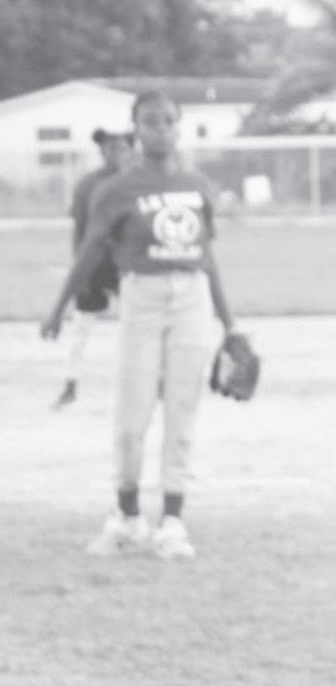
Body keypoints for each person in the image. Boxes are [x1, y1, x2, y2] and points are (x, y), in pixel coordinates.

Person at [40, 91, 237, 560]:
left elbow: (206, 256)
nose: (160, 130)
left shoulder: (198, 185)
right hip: (142, 297)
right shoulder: (117, 189)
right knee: (133, 414)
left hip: (191, 296)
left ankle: (172, 520)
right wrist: (60, 306)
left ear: (179, 126)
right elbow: (90, 248)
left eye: (168, 121)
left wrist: (230, 324)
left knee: (182, 410)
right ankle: (127, 515)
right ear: (137, 130)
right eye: (150, 122)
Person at [52, 128, 134, 411]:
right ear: (101, 151)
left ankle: (139, 383)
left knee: (135, 325)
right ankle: (71, 383)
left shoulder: (136, 182)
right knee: (81, 326)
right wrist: (79, 269)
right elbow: (79, 230)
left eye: (123, 148)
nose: (117, 153)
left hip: (127, 264)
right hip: (95, 263)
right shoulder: (87, 185)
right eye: (111, 148)